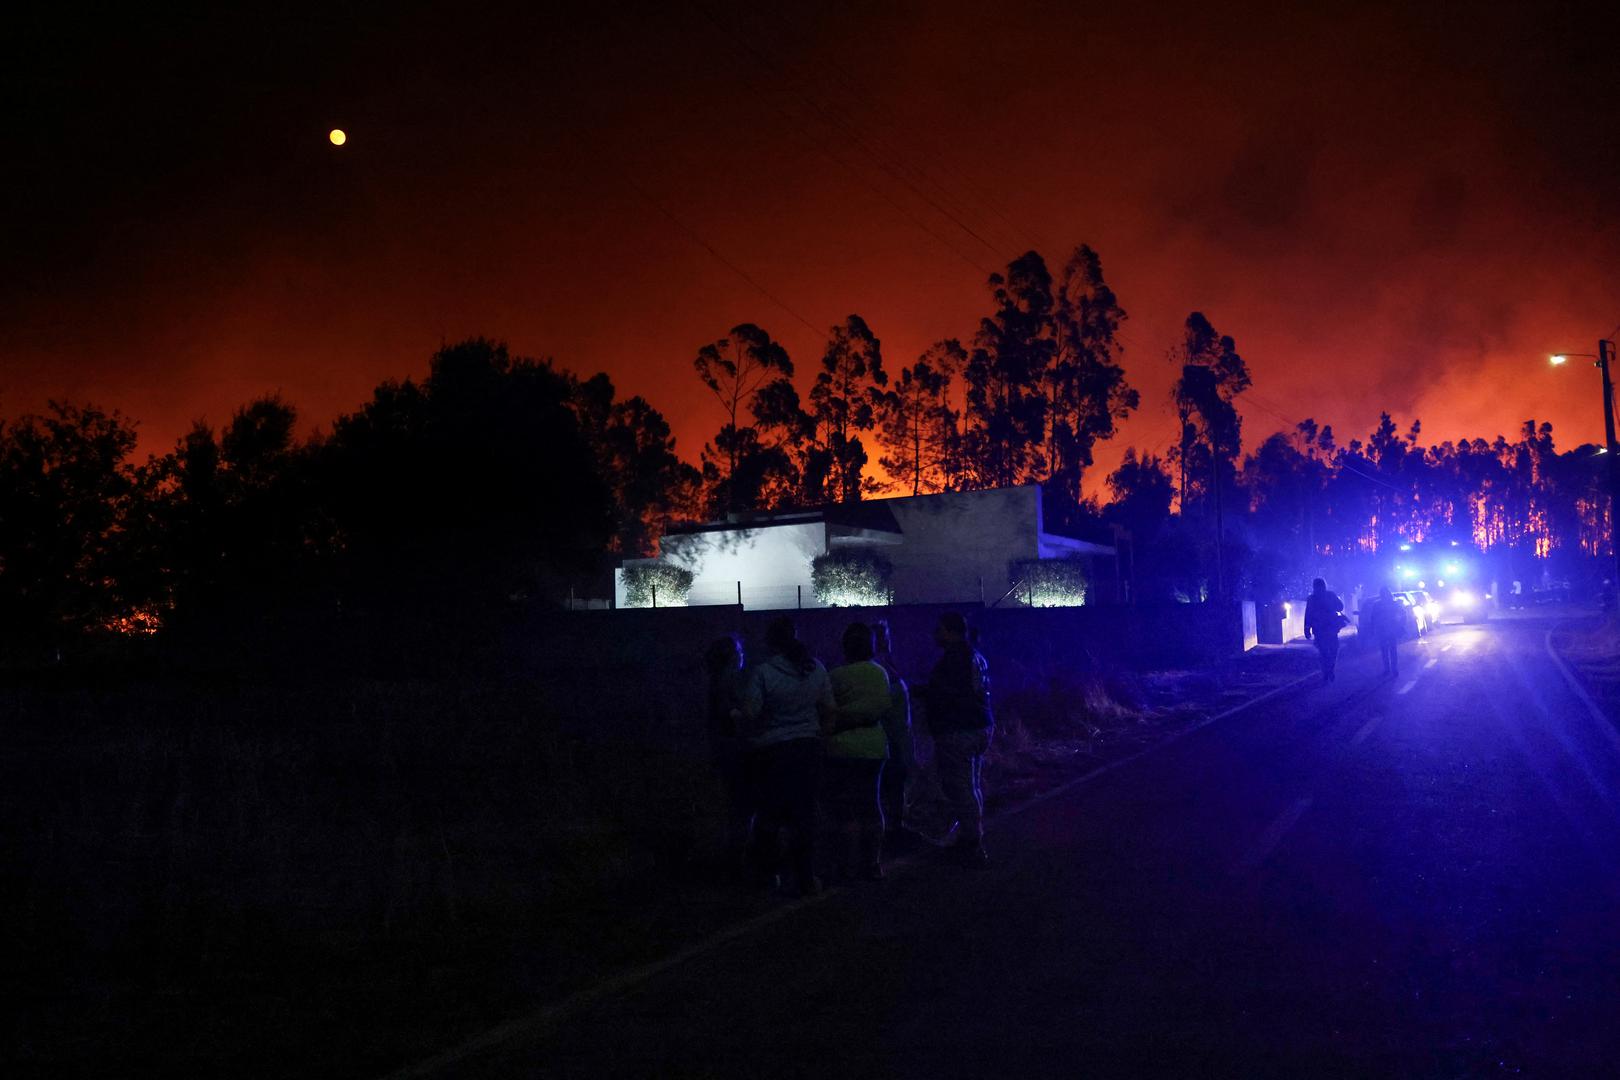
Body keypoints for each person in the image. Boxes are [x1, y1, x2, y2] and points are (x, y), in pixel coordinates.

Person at [739, 616, 834, 897]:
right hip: (808, 749)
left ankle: (769, 875)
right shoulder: (815, 669)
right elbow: (829, 709)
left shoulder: (764, 672)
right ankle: (805, 875)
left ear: (770, 642)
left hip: (773, 752)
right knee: (805, 816)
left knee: (770, 815)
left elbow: (751, 713)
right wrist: (821, 738)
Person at [922, 612, 993, 865]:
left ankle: (972, 842)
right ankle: (970, 835)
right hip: (979, 725)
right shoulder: (975, 656)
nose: (935, 635)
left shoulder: (954, 660)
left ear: (951, 632)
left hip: (960, 729)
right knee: (970, 785)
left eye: (939, 630)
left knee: (961, 787)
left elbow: (945, 695)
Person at [823, 622, 891, 881]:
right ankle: (873, 863)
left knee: (847, 809)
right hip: (875, 747)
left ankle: (847, 864)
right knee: (872, 805)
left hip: (843, 748)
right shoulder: (880, 673)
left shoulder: (837, 675)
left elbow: (827, 709)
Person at [703, 634, 751, 876]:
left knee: (729, 802)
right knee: (740, 804)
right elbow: (732, 712)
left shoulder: (714, 680)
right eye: (740, 652)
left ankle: (730, 854)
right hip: (733, 747)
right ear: (733, 657)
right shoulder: (730, 680)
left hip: (720, 745)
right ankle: (736, 857)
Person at [871, 619, 915, 849]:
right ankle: (890, 831)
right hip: (890, 738)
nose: (886, 641)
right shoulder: (880, 669)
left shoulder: (887, 664)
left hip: (896, 736)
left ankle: (893, 827)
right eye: (882, 637)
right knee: (890, 785)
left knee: (893, 785)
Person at [1303, 577, 1347, 683]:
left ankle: (1326, 672)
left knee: (1323, 653)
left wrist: (1307, 629)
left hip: (1319, 630)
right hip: (1331, 629)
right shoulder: (1330, 595)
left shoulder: (1312, 598)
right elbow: (1340, 607)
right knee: (1333, 650)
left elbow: (1308, 615)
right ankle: (1330, 670)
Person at [1364, 586, 1403, 677]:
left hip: (1383, 630)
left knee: (1385, 650)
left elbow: (1373, 618)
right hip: (1390, 629)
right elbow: (1400, 614)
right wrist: (1399, 625)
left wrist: (1373, 629)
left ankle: (1388, 669)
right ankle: (1393, 669)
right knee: (1392, 650)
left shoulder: (1377, 605)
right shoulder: (1393, 603)